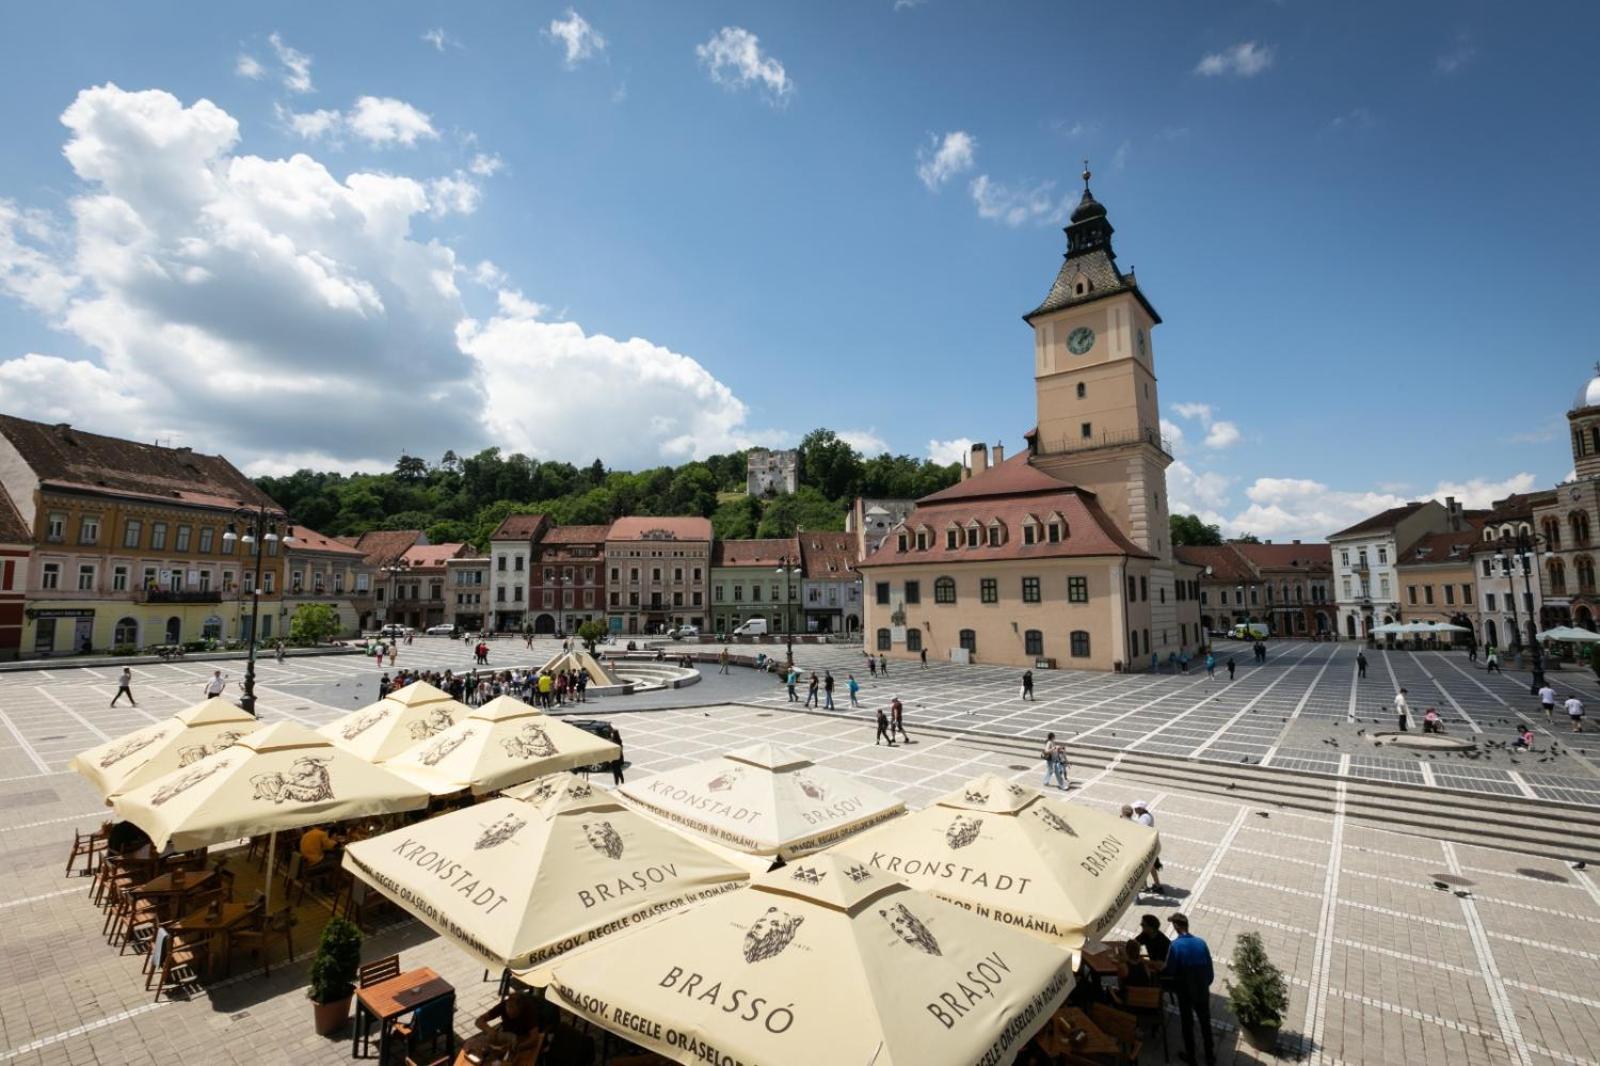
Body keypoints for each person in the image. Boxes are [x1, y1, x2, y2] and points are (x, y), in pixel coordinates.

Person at [1166, 913, 1217, 1066]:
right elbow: (1210, 971)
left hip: (1185, 992)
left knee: (1187, 1024)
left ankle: (1191, 1057)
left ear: (1176, 926)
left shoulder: (1175, 946)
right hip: (1201, 989)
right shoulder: (1201, 942)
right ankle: (1210, 1056)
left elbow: (1170, 971)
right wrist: (1204, 985)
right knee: (1205, 1023)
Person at [1132, 800, 1163, 892]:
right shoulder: (1146, 815)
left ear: (1141, 809)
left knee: (1144, 867)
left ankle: (1144, 886)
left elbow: (1141, 830)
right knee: (1150, 866)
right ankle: (1157, 885)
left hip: (1144, 845)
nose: (1135, 810)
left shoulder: (1144, 818)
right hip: (1148, 844)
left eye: (1136, 808)